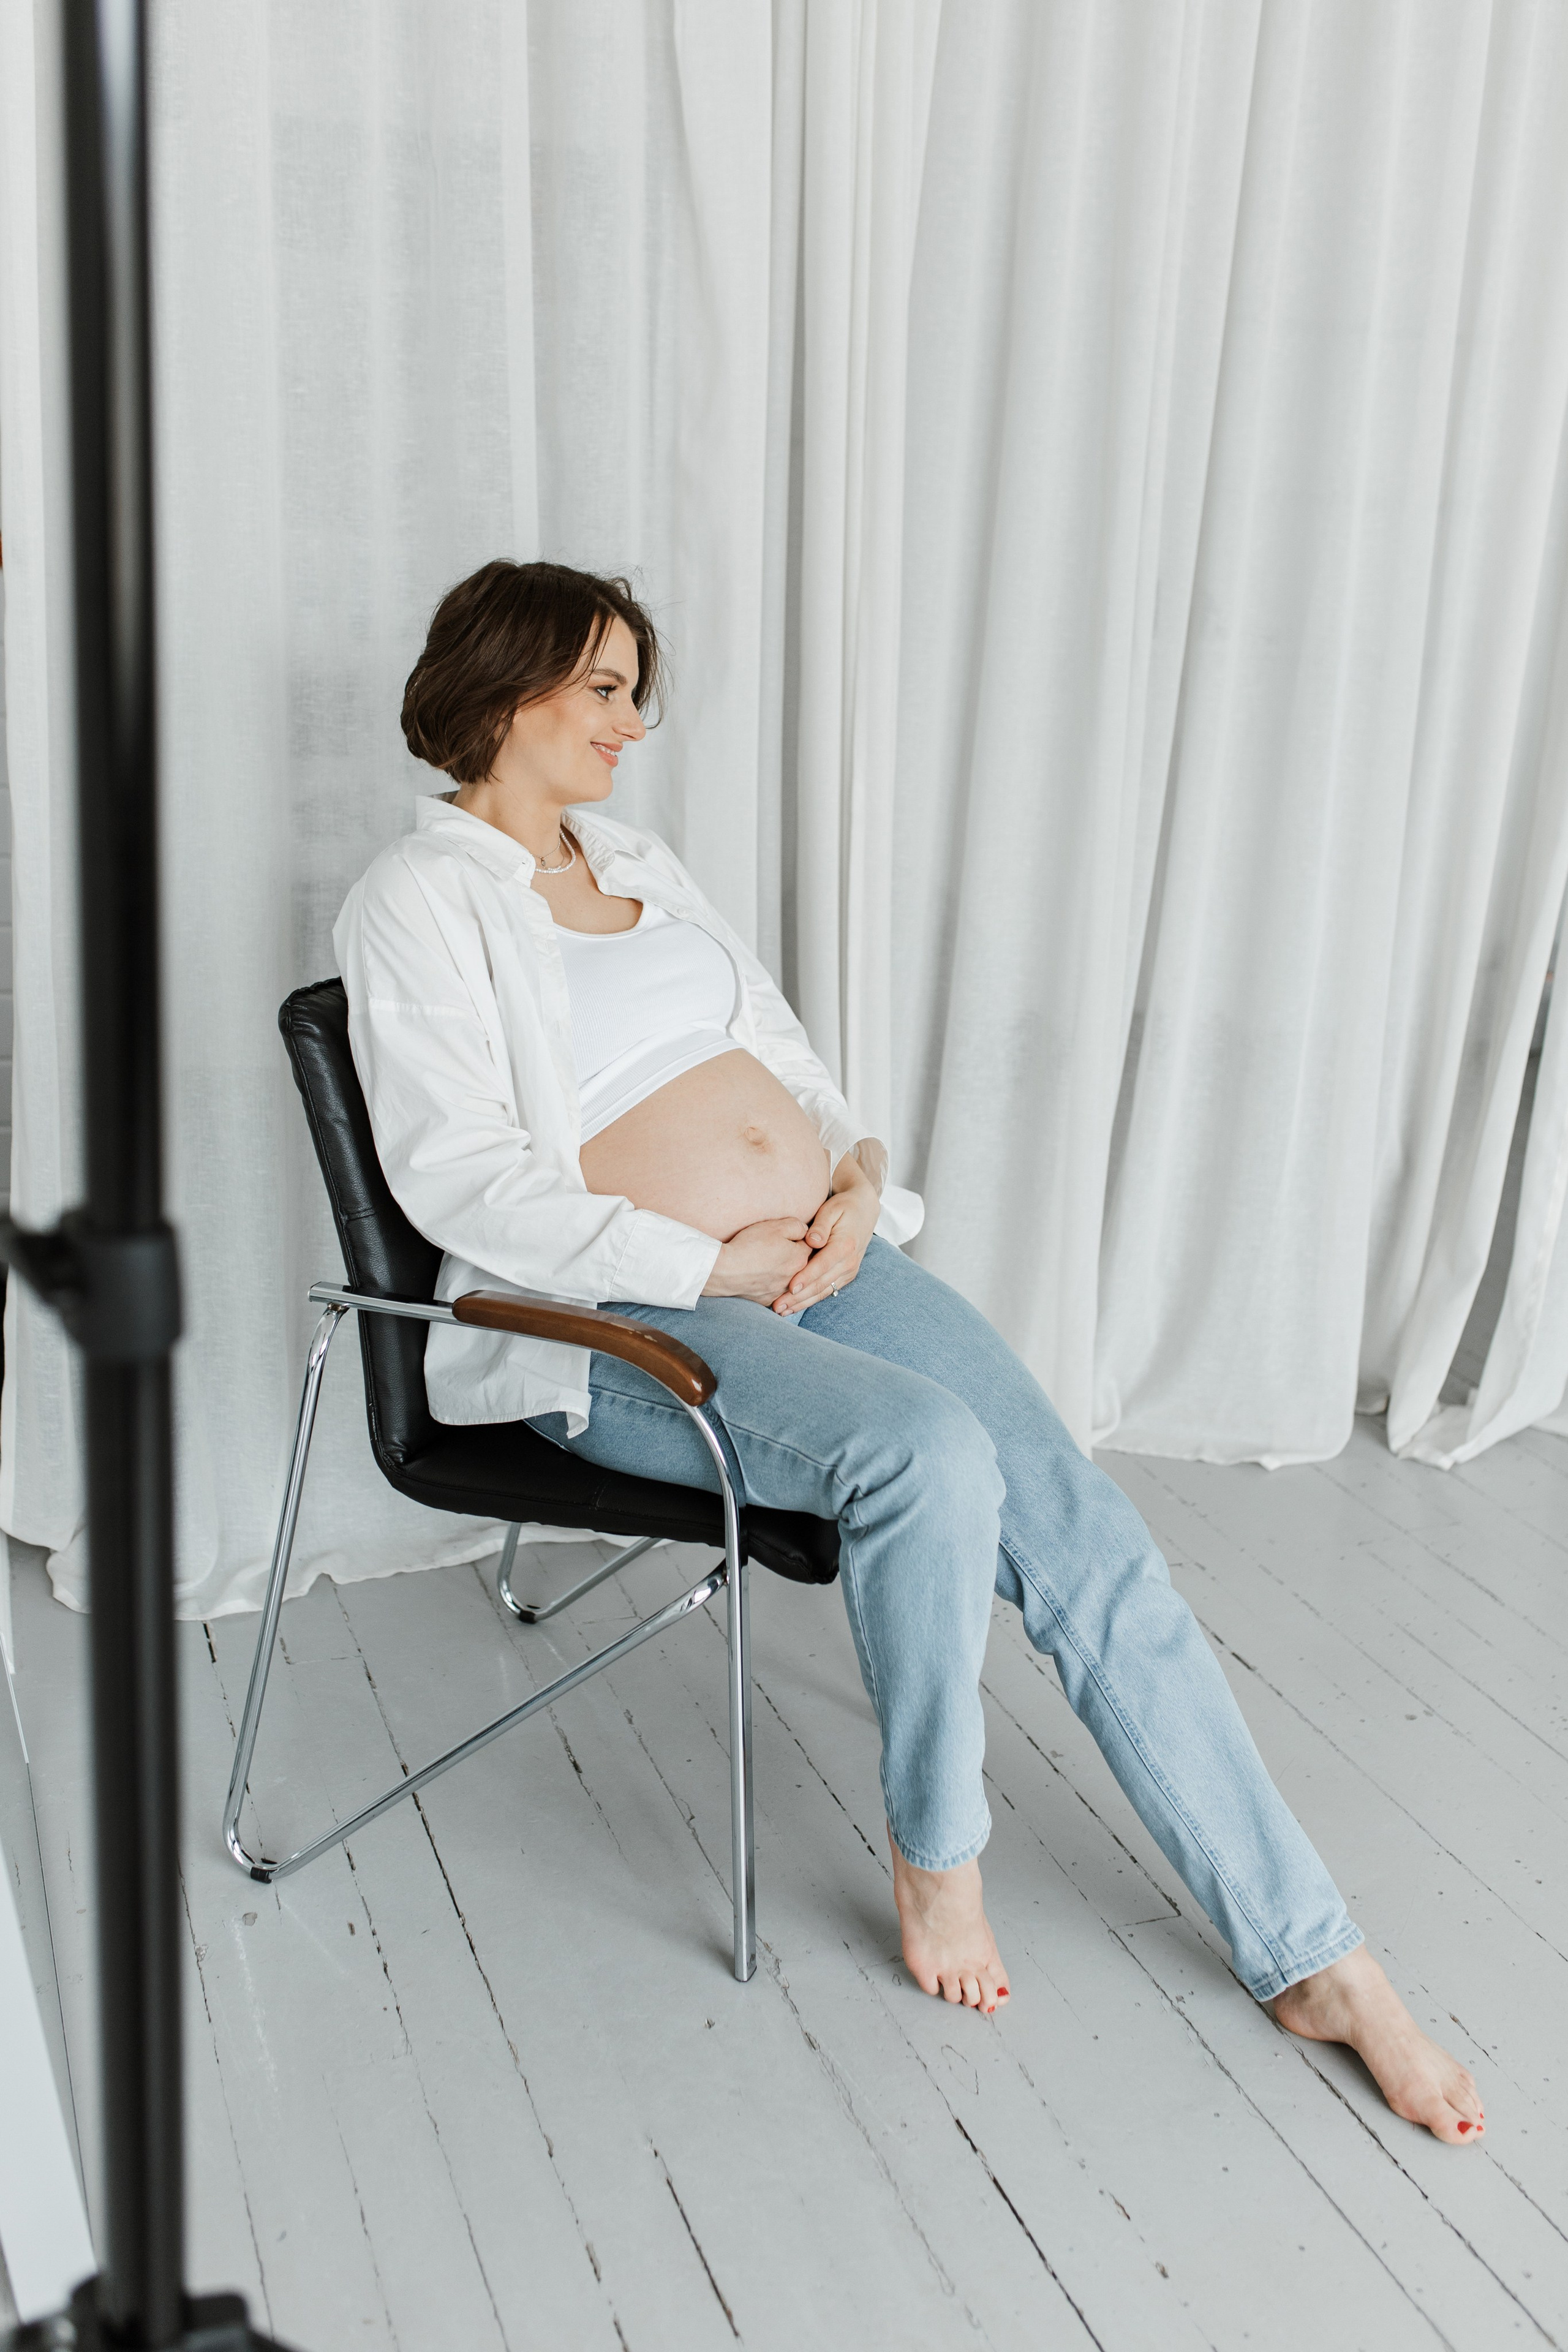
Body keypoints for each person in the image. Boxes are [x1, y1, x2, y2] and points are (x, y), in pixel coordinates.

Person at [334, 559, 1484, 2147]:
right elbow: (456, 1174)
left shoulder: (642, 860)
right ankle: (939, 1849)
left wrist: (855, 1181)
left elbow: (785, 1063)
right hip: (618, 1322)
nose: (632, 722)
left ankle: (1313, 1955)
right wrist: (701, 1255)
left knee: (1078, 1522)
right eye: (604, 688)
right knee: (925, 1455)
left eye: (632, 688)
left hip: (815, 1265)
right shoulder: (417, 902)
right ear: (507, 688)